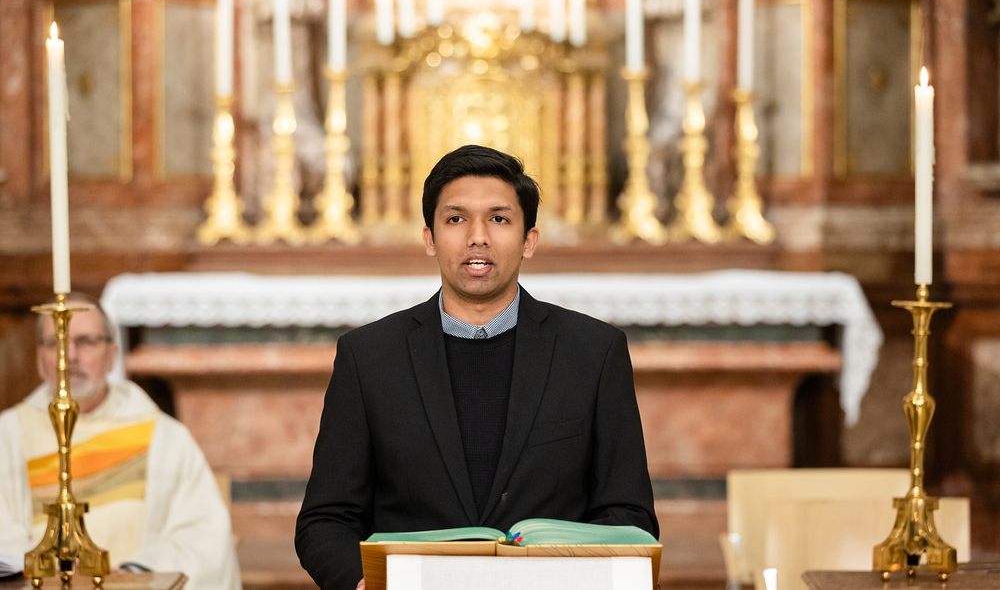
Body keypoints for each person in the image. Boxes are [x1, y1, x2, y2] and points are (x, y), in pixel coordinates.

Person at [296, 145, 658, 590]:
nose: (478, 237)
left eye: (499, 219)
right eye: (456, 219)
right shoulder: (369, 356)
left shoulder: (594, 352)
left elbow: (628, 514)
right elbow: (326, 520)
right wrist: (365, 584)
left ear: (529, 240)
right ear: (430, 238)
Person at [0, 293, 241, 590]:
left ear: (112, 355)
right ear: (39, 359)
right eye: (55, 343)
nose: (70, 356)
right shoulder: (9, 435)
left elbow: (202, 537)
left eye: (86, 341)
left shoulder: (163, 436)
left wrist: (132, 574)